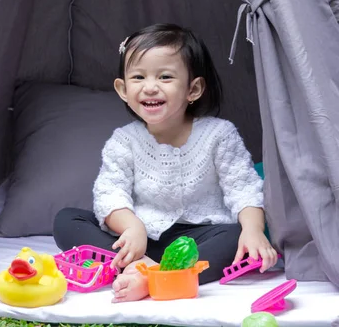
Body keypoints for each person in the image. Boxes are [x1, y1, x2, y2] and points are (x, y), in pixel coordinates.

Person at [53, 23, 278, 302]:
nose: (150, 88)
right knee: (67, 220)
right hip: (140, 238)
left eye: (165, 77)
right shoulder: (124, 140)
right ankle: (145, 267)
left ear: (193, 89)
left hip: (195, 240)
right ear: (122, 89)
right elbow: (109, 193)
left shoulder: (219, 135)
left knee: (235, 235)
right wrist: (132, 228)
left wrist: (254, 231)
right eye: (138, 77)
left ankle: (149, 276)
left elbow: (243, 188)